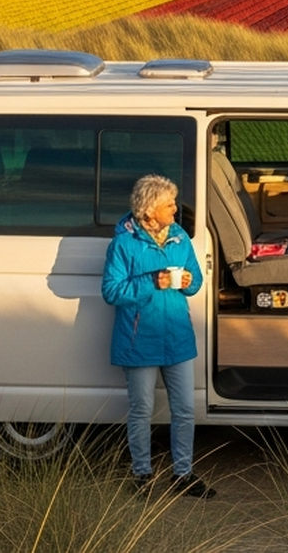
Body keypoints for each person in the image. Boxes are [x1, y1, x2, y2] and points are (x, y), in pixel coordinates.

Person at [101, 174, 215, 498]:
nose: (176, 210)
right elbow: (111, 291)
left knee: (184, 409)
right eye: (170, 205)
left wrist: (190, 280)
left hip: (177, 337)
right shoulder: (124, 243)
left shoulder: (180, 236)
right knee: (141, 409)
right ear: (150, 211)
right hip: (139, 341)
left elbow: (194, 284)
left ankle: (183, 475)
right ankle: (142, 475)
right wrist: (153, 281)